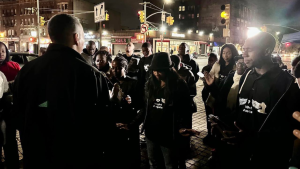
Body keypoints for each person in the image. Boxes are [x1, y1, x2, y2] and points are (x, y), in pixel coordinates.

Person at [13, 14, 115, 169]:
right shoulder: (91, 75)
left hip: (37, 157)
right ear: (76, 37)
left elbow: (19, 115)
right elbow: (102, 125)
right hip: (78, 159)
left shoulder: (26, 71)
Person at [222, 32, 300, 169]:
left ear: (267, 51)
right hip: (242, 153)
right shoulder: (247, 75)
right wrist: (225, 125)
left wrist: (252, 138)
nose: (243, 54)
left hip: (269, 158)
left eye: (249, 50)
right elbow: (242, 110)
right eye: (243, 49)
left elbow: (289, 129)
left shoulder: (287, 83)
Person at [119, 52, 199, 169]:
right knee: (154, 163)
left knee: (170, 164)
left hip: (169, 135)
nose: (156, 73)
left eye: (160, 70)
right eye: (154, 70)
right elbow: (145, 109)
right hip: (151, 133)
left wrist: (182, 127)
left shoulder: (179, 85)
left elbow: (184, 110)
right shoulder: (150, 84)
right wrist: (131, 124)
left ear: (169, 70)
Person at [110, 56, 143, 169]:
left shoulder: (134, 83)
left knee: (132, 155)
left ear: (125, 68)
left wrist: (132, 101)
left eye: (119, 68)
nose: (115, 71)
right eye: (113, 68)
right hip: (114, 124)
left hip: (129, 124)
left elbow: (141, 104)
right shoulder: (108, 82)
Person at [201, 53, 218, 145]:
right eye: (210, 60)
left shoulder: (219, 68)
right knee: (208, 114)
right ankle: (209, 133)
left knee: (213, 115)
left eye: (213, 60)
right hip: (206, 93)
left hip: (214, 94)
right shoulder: (206, 68)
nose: (211, 62)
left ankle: (214, 134)